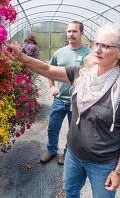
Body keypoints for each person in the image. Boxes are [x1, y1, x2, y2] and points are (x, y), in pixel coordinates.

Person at [5, 23, 120, 198]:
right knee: (70, 191)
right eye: (97, 44)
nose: (98, 49)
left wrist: (119, 171)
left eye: (106, 46)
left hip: (103, 163)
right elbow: (47, 69)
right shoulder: (83, 74)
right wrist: (22, 57)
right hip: (74, 155)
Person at [44, 21, 90, 166]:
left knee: (73, 130)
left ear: (82, 33)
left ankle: (66, 153)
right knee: (53, 127)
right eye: (69, 31)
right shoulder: (60, 53)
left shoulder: (89, 54)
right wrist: (51, 86)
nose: (71, 34)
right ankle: (51, 150)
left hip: (77, 101)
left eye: (75, 31)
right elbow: (49, 71)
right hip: (59, 100)